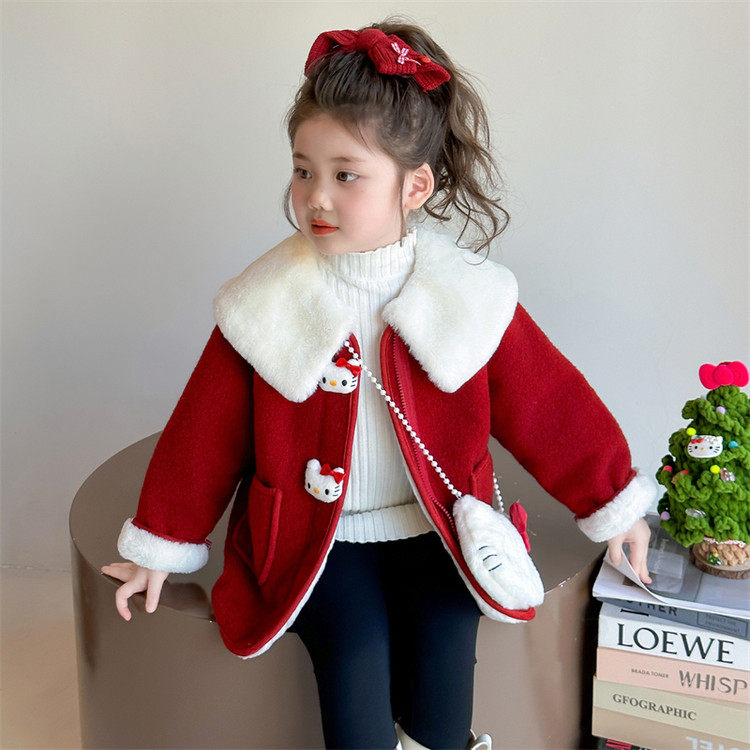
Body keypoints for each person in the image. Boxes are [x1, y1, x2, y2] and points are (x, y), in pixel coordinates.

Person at [101, 17, 656, 750]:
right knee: (355, 657)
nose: (316, 197)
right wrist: (160, 543)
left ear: (414, 185)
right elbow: (205, 431)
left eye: (345, 175)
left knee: (444, 662)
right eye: (303, 170)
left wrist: (613, 505)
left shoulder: (469, 297)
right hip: (317, 537)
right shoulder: (265, 303)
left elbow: (550, 404)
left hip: (437, 527)